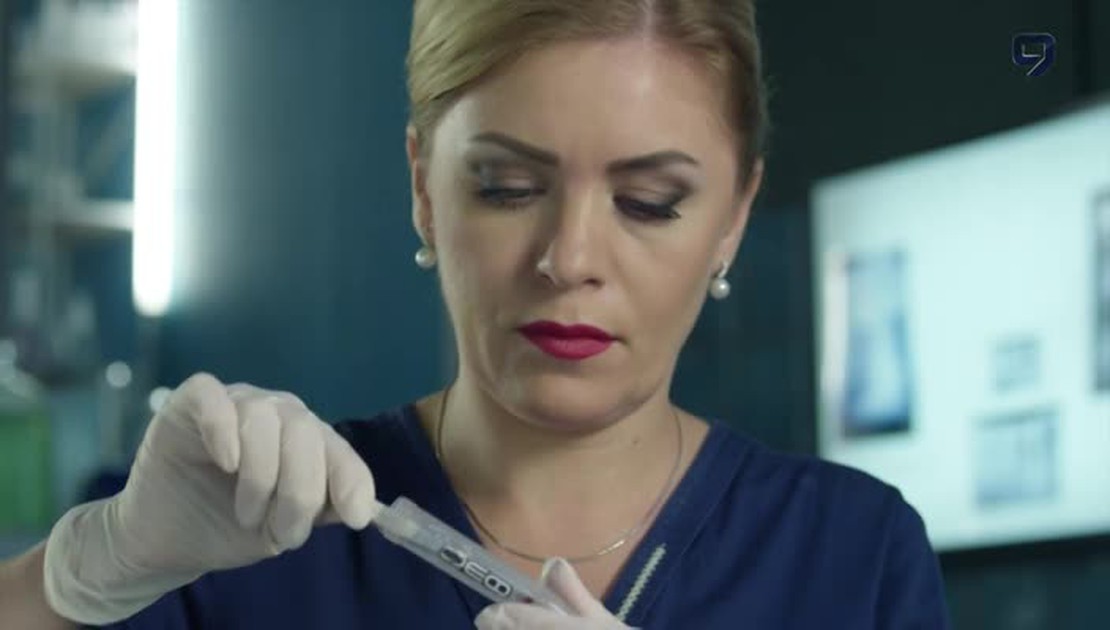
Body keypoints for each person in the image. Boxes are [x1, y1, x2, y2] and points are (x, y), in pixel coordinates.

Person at [0, 0, 952, 627]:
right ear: (424, 188)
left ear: (734, 218)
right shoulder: (254, 537)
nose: (570, 259)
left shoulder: (852, 559)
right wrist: (92, 567)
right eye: (507, 187)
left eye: (648, 202)